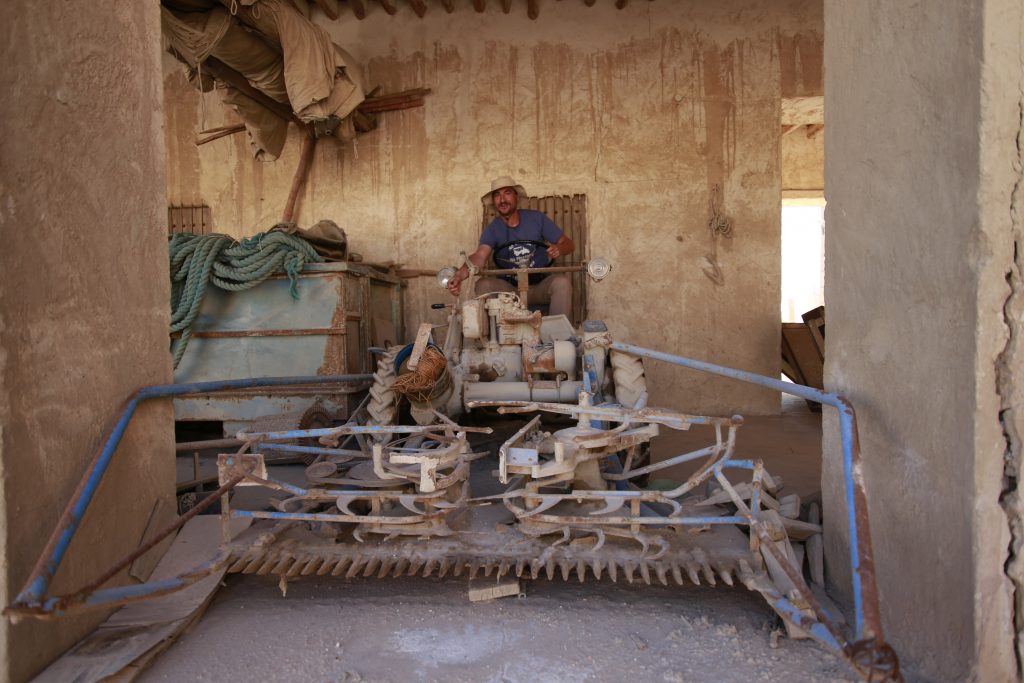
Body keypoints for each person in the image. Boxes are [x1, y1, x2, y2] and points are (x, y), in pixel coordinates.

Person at [447, 176, 575, 317]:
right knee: (483, 284)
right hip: (509, 291)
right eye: (497, 195)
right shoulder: (493, 229)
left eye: (507, 193)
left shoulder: (537, 219)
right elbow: (480, 256)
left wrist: (559, 248)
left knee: (562, 282)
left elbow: (569, 244)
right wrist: (459, 275)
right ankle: (493, 337)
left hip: (540, 286)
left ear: (516, 197)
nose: (502, 200)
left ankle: (558, 336)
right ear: (494, 202)